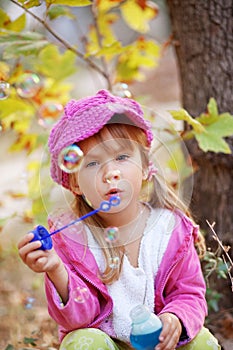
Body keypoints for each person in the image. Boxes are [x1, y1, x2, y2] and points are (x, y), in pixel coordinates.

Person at [18, 90, 221, 350]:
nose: (110, 173)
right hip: (110, 345)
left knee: (203, 340)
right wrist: (57, 270)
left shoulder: (170, 230)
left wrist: (176, 318)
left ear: (146, 167)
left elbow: (189, 293)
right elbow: (79, 319)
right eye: (92, 164)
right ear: (75, 183)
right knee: (81, 341)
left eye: (122, 157)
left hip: (164, 344)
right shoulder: (74, 239)